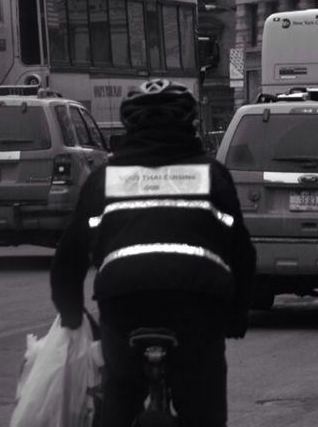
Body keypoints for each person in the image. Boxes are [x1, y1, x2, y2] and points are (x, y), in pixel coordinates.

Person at [50, 80, 256, 427]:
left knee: (118, 395)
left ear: (130, 127)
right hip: (197, 306)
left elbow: (69, 255)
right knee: (203, 409)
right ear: (189, 126)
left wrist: (71, 313)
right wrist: (236, 317)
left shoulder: (104, 179)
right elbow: (242, 255)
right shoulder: (212, 176)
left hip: (123, 302)